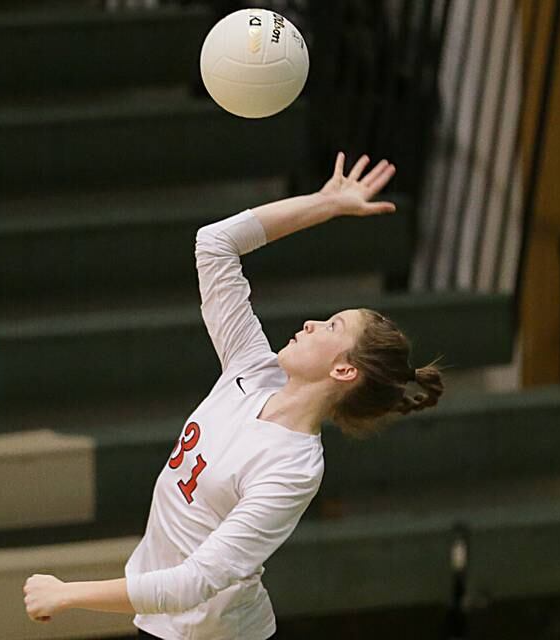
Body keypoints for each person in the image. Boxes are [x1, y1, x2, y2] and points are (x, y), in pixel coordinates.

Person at [23, 152, 444, 638]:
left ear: (344, 369)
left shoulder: (293, 467)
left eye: (332, 325)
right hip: (165, 624)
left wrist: (68, 593)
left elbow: (193, 584)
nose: (310, 322)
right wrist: (326, 204)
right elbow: (215, 244)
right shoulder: (252, 369)